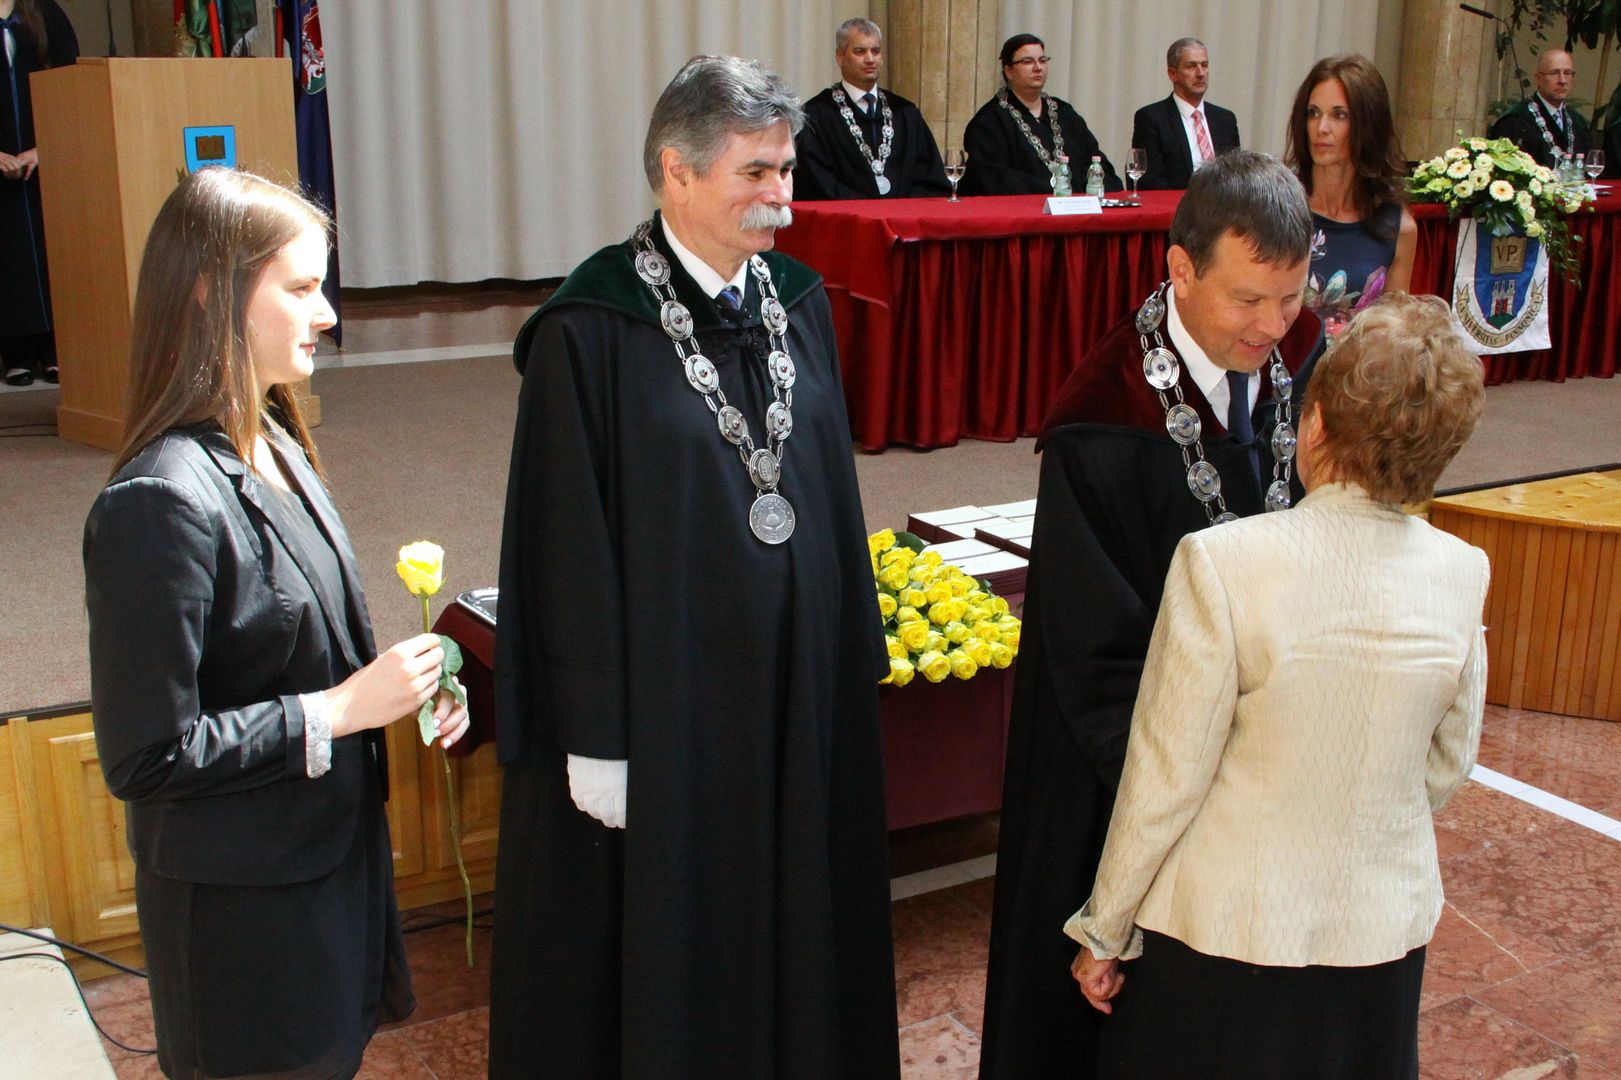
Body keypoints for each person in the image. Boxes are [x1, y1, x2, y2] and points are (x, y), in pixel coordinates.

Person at [488, 55, 899, 1079]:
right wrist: (594, 734)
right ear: (675, 170)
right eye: (755, 173)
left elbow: (829, 493)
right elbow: (563, 544)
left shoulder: (798, 301)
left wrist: (850, 662)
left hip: (791, 698)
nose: (782, 197)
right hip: (670, 714)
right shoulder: (591, 327)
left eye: (786, 171)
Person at [83, 168, 470, 1079]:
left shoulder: (274, 438)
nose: (327, 314)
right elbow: (146, 756)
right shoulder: (158, 501)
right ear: (211, 293)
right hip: (243, 917)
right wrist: (339, 710)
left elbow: (290, 646)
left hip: (321, 866)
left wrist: (412, 689)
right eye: (300, 287)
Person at [1069, 292, 1488, 1080]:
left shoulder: (1221, 561)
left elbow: (1165, 776)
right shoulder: (1463, 571)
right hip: (1379, 933)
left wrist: (1106, 928)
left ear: (1315, 425)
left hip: (1226, 931)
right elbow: (1445, 764)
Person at [978, 150, 1324, 1080]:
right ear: (1180, 267)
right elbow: (1093, 652)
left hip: (1277, 758)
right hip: (1137, 776)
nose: (1273, 326)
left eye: (1289, 297)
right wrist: (1203, 780)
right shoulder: (1100, 424)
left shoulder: (1303, 356)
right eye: (1247, 299)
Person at [1286, 54, 1416, 339]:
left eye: (1339, 115)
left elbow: (1392, 338)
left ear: (1368, 124)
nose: (1321, 128)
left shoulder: (1398, 227)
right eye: (1313, 113)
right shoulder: (1279, 206)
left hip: (1355, 366)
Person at [0, 0, 76, 386]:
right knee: (9, 256)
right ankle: (15, 352)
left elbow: (73, 84)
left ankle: (53, 349)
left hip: (44, 160)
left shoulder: (45, 12)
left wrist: (46, 147)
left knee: (51, 253)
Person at [795, 18, 950, 199]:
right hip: (847, 215)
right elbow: (816, 183)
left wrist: (898, 210)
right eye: (860, 51)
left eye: (875, 51)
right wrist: (870, 211)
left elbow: (930, 179)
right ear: (840, 56)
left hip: (904, 215)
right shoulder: (816, 114)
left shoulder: (905, 113)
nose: (870, 59)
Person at [961, 33, 1121, 195]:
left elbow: (1097, 164)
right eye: (1027, 61)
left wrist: (1083, 194)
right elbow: (993, 178)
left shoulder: (1065, 113)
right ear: (1008, 71)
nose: (1038, 67)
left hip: (1077, 206)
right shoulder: (989, 122)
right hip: (1023, 207)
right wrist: (1051, 191)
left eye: (1042, 60)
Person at [1130, 37, 1240, 190]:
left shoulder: (1225, 119)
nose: (1200, 73)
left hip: (1222, 202)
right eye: (1191, 66)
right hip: (1178, 204)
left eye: (1204, 65)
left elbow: (1236, 176)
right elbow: (1149, 183)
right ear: (1173, 74)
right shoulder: (1152, 119)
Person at [1491, 49, 1593, 170]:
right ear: (1538, 78)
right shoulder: (1515, 121)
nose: (1562, 80)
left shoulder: (1578, 122)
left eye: (1567, 73)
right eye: (1554, 73)